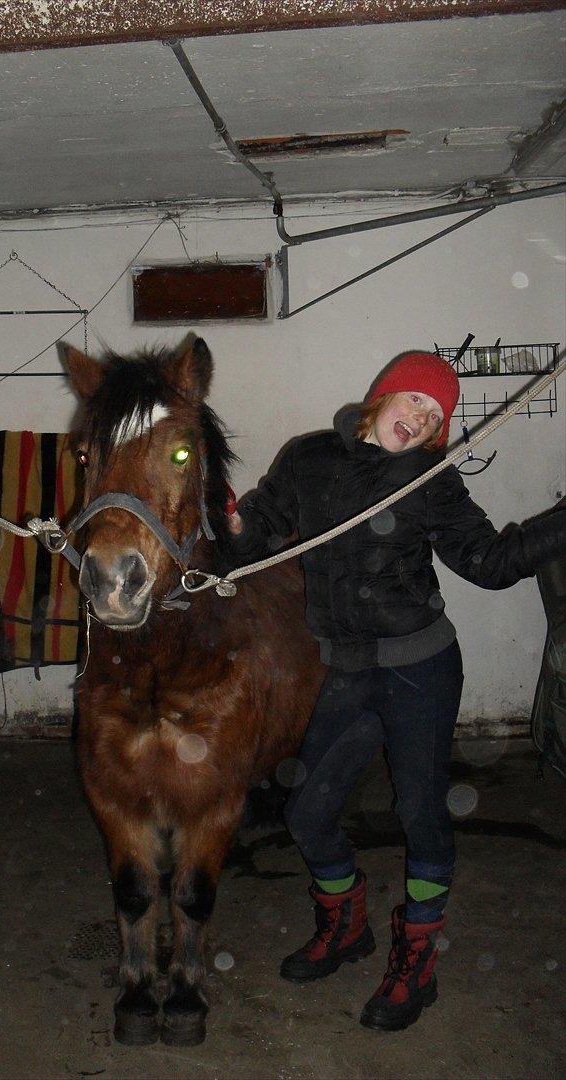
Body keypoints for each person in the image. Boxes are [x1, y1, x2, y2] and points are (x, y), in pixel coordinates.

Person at [227, 351, 565, 1032]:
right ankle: (347, 926)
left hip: (421, 670)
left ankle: (418, 961)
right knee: (309, 814)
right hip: (348, 670)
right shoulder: (309, 459)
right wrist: (227, 526)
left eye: (434, 415)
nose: (418, 418)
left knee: (422, 814)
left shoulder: (431, 482)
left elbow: (490, 563)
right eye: (412, 400)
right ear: (381, 397)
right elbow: (256, 533)